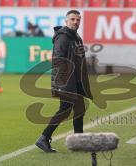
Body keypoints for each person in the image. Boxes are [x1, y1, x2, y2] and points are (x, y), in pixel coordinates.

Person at [35, 10, 93, 152]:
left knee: (79, 109)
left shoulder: (76, 37)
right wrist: (63, 82)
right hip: (66, 80)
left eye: (78, 20)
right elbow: (59, 60)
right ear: (66, 21)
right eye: (72, 19)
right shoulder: (63, 37)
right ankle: (43, 138)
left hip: (76, 81)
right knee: (65, 110)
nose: (75, 22)